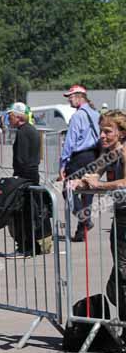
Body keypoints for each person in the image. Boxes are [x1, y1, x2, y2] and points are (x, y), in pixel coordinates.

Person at [71, 111, 126, 317]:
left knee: (122, 273)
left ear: (120, 133)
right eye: (101, 131)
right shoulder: (110, 153)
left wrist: (100, 185)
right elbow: (95, 172)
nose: (102, 135)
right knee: (120, 273)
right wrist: (81, 181)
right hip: (120, 217)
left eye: (107, 131)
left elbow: (125, 182)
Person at [60, 85, 101, 242]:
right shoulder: (95, 114)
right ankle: (80, 232)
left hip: (79, 157)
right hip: (94, 156)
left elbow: (70, 142)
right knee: (87, 193)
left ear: (80, 96)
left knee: (68, 190)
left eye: (71, 96)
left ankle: (84, 220)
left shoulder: (78, 116)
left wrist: (62, 164)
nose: (69, 99)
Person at [8, 102, 43, 256]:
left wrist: (16, 178)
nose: (8, 119)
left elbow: (21, 158)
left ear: (18, 116)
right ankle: (31, 245)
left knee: (24, 213)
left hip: (25, 177)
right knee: (30, 212)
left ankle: (27, 246)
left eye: (10, 116)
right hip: (33, 174)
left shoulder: (23, 132)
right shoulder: (32, 130)